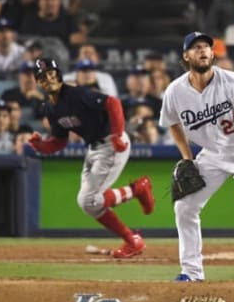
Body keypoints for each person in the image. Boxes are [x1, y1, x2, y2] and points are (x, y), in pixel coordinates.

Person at [159, 32, 234, 282]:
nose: (202, 51)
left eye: (206, 47)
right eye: (196, 47)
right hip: (213, 154)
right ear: (185, 56)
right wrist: (187, 158)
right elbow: (172, 123)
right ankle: (191, 272)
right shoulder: (175, 91)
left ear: (213, 54)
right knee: (184, 206)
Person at [28, 58, 155, 258]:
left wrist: (117, 134)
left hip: (112, 143)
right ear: (39, 82)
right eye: (43, 77)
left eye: (52, 74)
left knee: (89, 200)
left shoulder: (75, 93)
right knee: (87, 203)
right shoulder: (51, 108)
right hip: (94, 148)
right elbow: (60, 141)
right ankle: (136, 191)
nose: (49, 79)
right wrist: (41, 146)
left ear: (58, 75)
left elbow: (112, 103)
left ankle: (132, 240)